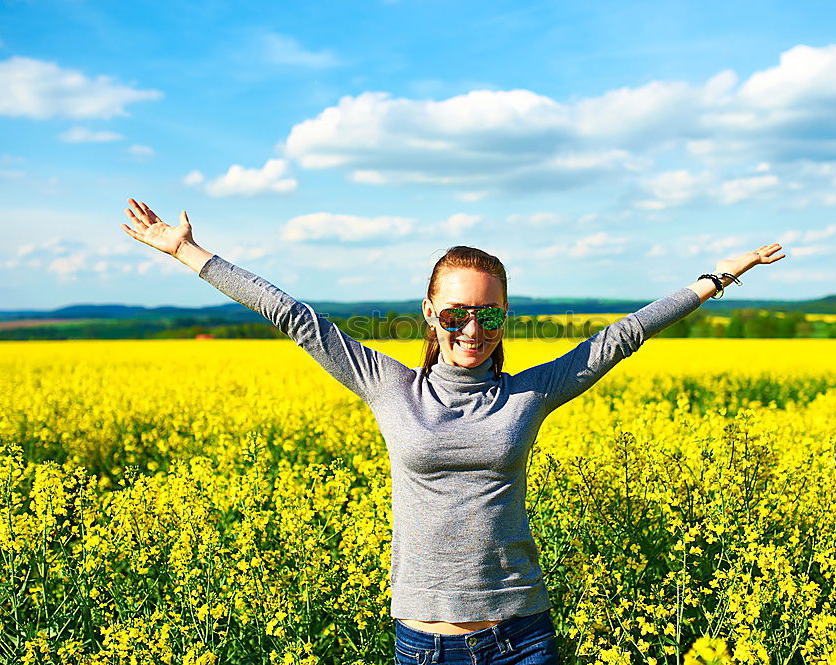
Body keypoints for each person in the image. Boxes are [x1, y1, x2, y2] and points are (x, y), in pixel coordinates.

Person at [120, 198, 785, 664]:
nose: (473, 330)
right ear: (430, 313)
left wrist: (717, 277)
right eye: (458, 314)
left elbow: (625, 335)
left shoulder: (529, 391)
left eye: (490, 316)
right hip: (425, 643)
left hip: (523, 635)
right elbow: (297, 318)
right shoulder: (388, 384)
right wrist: (189, 252)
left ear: (505, 318)